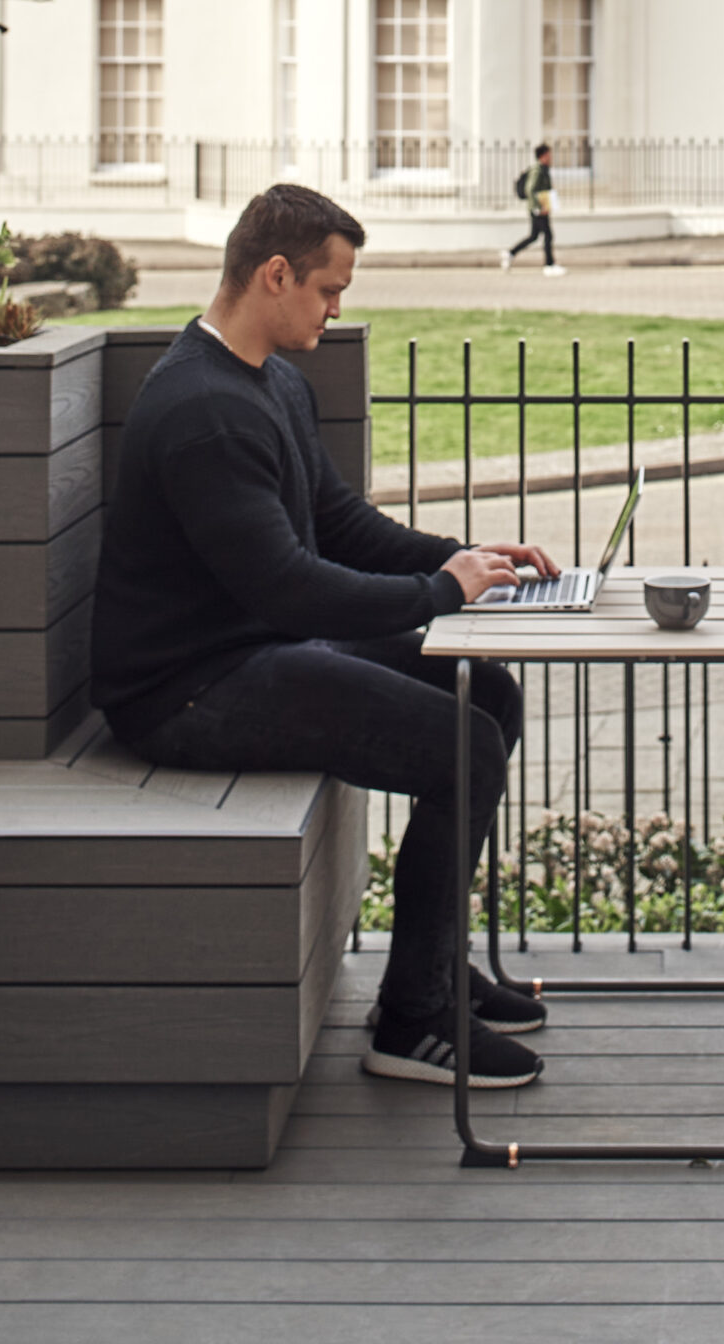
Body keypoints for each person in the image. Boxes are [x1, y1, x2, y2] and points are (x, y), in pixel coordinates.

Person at [89, 184, 559, 1089]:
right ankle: (413, 1023)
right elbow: (291, 588)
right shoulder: (203, 410)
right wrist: (436, 593)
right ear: (275, 275)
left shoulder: (269, 383)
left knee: (485, 692)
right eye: (329, 290)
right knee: (460, 747)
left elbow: (338, 525)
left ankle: (429, 969)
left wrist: (464, 559)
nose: (339, 308)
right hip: (186, 690)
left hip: (255, 652)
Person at [500, 141, 565, 276]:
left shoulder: (542, 169)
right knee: (548, 235)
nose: (550, 157)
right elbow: (530, 189)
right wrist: (540, 206)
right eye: (549, 155)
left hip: (539, 208)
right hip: (538, 209)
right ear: (543, 156)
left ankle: (510, 253)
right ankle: (549, 265)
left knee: (534, 236)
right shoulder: (537, 170)